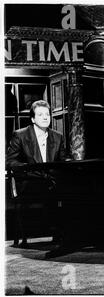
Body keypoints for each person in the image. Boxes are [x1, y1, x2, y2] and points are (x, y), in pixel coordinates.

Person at [6, 100, 67, 247]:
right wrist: (30, 169)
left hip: (51, 181)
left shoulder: (57, 137)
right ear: (33, 119)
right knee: (49, 189)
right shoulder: (20, 135)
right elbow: (10, 162)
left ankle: (65, 235)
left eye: (47, 114)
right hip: (29, 181)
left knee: (72, 190)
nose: (45, 117)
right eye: (40, 115)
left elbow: (64, 161)